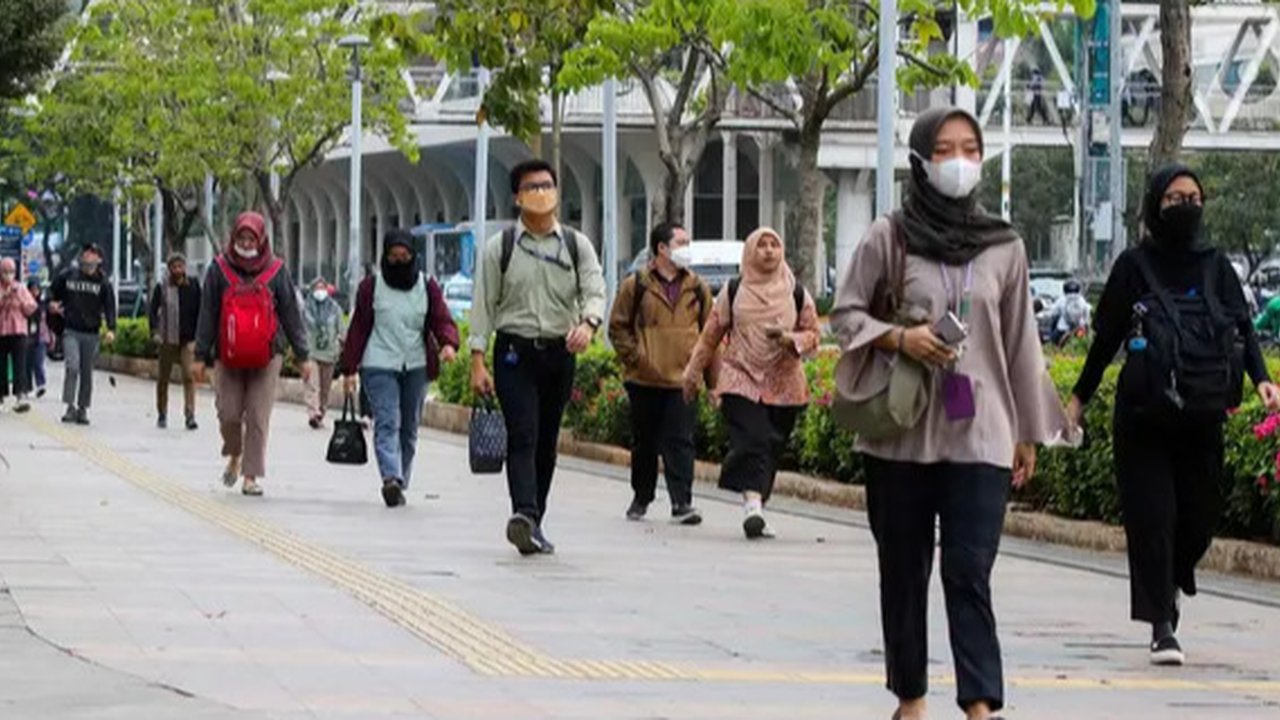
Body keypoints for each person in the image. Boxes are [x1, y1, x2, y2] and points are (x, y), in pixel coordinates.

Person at [830, 107, 1067, 720]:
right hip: (900, 433)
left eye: (969, 148)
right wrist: (898, 339)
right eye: (943, 149)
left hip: (981, 432)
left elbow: (1021, 343)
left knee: (969, 570)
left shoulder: (1004, 244)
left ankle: (981, 704)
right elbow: (847, 313)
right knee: (903, 571)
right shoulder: (892, 235)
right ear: (919, 161)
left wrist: (1029, 433)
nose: (958, 160)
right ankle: (910, 698)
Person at [1067, 164, 1280, 667]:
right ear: (1153, 205)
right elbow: (1105, 342)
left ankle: (1177, 575)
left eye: (1192, 197)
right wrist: (1078, 399)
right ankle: (1163, 623)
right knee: (1153, 518)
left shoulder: (1215, 266)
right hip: (1143, 416)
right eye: (1173, 198)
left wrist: (1262, 379)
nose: (1185, 206)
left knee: (1200, 517)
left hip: (1203, 413)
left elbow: (1244, 330)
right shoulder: (1133, 266)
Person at [469, 158, 607, 555]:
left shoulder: (577, 245)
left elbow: (595, 288)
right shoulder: (502, 248)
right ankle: (524, 513)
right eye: (531, 187)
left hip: (559, 354)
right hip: (514, 352)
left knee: (546, 441)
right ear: (517, 197)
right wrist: (477, 359)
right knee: (524, 433)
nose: (541, 193)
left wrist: (589, 324)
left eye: (547, 185)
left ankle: (534, 521)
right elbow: (483, 305)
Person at [682, 227, 820, 540]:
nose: (769, 251)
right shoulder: (734, 290)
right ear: (750, 251)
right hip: (740, 376)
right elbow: (710, 336)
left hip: (784, 383)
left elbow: (813, 335)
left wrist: (789, 339)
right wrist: (692, 373)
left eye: (774, 245)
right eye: (762, 246)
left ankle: (759, 504)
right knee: (752, 438)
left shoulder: (796, 291)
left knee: (771, 444)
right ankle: (752, 507)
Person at [339, 230, 460, 507]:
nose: (399, 262)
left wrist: (448, 344)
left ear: (414, 257)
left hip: (415, 364)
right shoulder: (372, 287)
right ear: (384, 257)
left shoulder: (426, 286)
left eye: (404, 257)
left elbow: (441, 319)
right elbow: (358, 328)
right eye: (393, 257)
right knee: (388, 421)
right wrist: (348, 369)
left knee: (409, 427)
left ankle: (400, 480)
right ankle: (390, 478)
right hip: (379, 363)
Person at [193, 211, 310, 497]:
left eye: (251, 238)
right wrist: (200, 355)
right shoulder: (218, 269)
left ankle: (250, 475)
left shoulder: (277, 270)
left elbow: (291, 314)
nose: (246, 243)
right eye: (242, 237)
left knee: (258, 416)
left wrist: (303, 355)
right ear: (233, 237)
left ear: (262, 239)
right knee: (228, 413)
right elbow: (207, 313)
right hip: (227, 353)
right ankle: (234, 452)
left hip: (268, 355)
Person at [608, 221, 713, 526]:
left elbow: (710, 333)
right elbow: (617, 327)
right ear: (662, 249)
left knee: (681, 440)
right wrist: (637, 358)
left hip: (683, 379)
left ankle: (682, 502)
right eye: (681, 243)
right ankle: (642, 496)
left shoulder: (697, 287)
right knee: (645, 442)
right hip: (644, 379)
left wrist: (707, 376)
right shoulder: (636, 285)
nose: (686, 249)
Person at [50, 244, 117, 425]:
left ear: (99, 259)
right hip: (71, 330)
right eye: (86, 253)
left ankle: (83, 408)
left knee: (87, 372)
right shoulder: (68, 276)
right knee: (72, 367)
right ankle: (69, 406)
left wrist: (111, 329)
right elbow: (52, 291)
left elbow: (110, 307)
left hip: (92, 333)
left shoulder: (103, 283)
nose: (88, 256)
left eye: (93, 254)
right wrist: (53, 304)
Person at [149, 253, 202, 430]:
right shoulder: (162, 287)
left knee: (189, 375)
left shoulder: (193, 286)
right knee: (164, 377)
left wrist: (201, 336)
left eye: (181, 266)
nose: (178, 270)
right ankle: (162, 413)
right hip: (167, 339)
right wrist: (154, 331)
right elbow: (152, 310)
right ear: (169, 269)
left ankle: (190, 414)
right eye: (174, 266)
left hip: (188, 339)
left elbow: (202, 310)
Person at [303, 277, 344, 429]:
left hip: (329, 354)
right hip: (311, 353)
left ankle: (321, 412)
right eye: (317, 288)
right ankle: (313, 413)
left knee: (325, 389)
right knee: (312, 385)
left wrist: (342, 346)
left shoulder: (335, 309)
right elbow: (300, 330)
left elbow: (341, 331)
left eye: (323, 288)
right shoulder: (305, 309)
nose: (320, 291)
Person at [0, 258, 37, 413]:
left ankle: (20, 395)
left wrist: (20, 299)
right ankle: (1, 395)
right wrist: (5, 296)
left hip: (19, 331)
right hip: (1, 332)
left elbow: (31, 308)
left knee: (20, 364)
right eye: (5, 272)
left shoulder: (20, 288)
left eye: (11, 272)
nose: (8, 275)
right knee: (0, 366)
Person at [24, 278, 50, 399]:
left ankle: (41, 385)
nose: (35, 292)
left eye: (37, 289)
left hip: (41, 337)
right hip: (27, 336)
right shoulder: (24, 303)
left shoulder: (44, 303)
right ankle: (27, 387)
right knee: (27, 363)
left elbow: (48, 321)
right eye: (32, 289)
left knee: (38, 362)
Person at [1047, 279, 1092, 347]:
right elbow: (1087, 315)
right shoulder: (1082, 300)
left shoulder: (1062, 299)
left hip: (1062, 329)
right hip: (1079, 329)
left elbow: (1053, 313)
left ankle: (1054, 349)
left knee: (1052, 340)